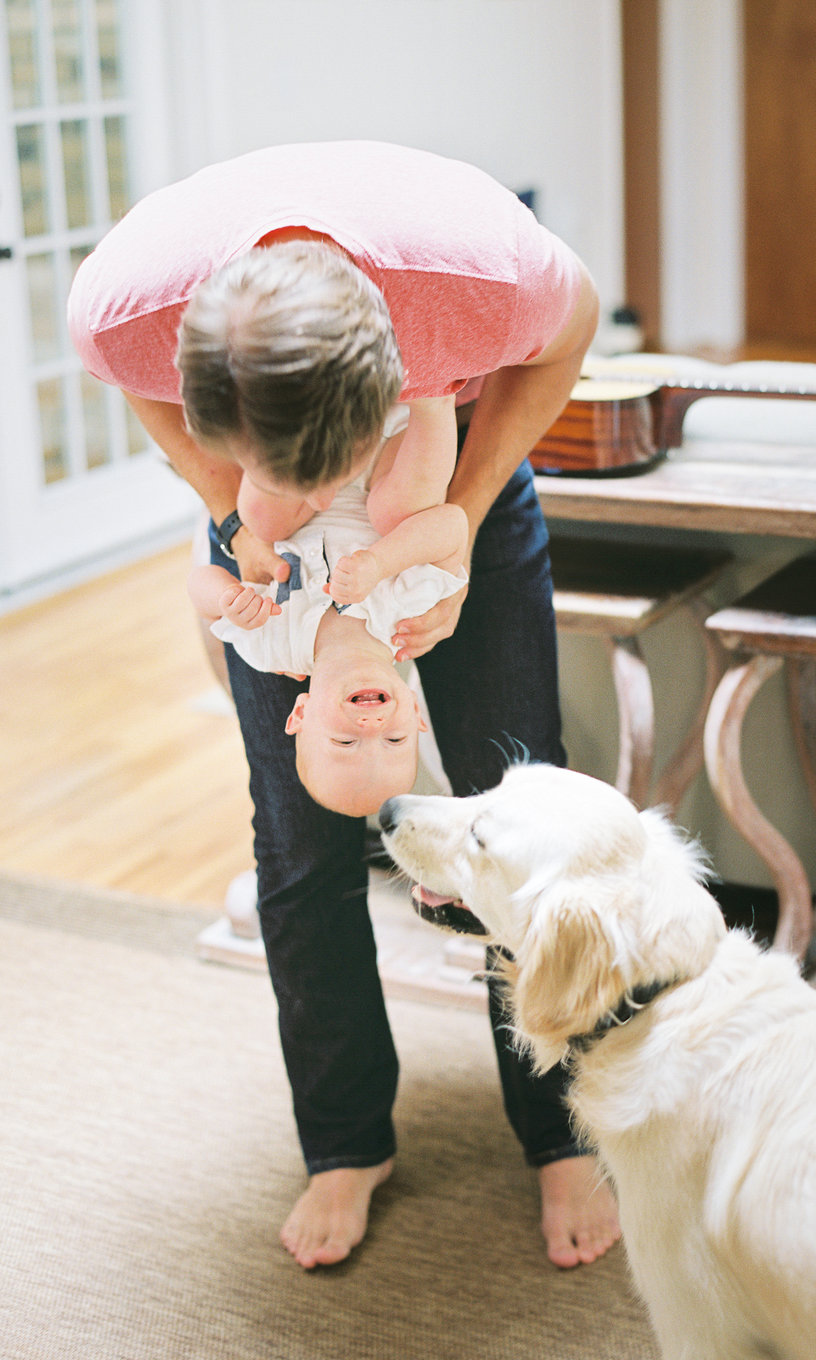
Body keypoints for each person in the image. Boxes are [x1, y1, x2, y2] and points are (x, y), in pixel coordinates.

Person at [67, 140, 620, 1271]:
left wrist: (455, 515)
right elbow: (141, 400)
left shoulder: (483, 281)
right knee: (300, 844)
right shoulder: (123, 307)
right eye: (290, 470)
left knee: (528, 815)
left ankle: (559, 1127)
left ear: (399, 387)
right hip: (271, 558)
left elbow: (575, 329)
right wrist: (231, 507)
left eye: (335, 469)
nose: (331, 505)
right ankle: (342, 1141)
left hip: (449, 503)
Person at [185, 251, 470, 817]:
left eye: (345, 741)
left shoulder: (272, 645)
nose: (371, 725)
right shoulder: (408, 622)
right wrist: (382, 563)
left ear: (300, 715)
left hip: (295, 465)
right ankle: (436, 394)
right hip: (383, 449)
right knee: (400, 510)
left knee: (262, 520)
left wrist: (228, 597)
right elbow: (452, 526)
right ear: (415, 714)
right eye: (394, 740)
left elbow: (199, 582)